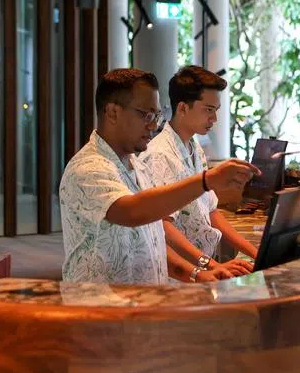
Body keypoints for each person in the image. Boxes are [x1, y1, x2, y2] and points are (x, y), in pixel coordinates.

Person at [59, 68, 260, 285]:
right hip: (101, 304)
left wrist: (197, 273)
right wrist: (206, 180)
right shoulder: (88, 167)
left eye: (156, 115)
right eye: (146, 115)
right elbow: (132, 212)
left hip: (143, 300)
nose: (154, 125)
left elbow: (154, 243)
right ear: (113, 112)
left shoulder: (136, 165)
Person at [141, 67, 257, 277]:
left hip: (203, 266)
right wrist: (211, 265)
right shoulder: (159, 155)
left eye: (216, 110)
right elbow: (163, 226)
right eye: (208, 110)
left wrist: (255, 252)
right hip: (181, 275)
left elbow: (211, 211)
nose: (214, 118)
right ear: (183, 108)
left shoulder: (194, 147)